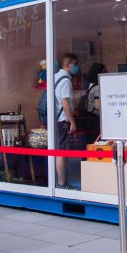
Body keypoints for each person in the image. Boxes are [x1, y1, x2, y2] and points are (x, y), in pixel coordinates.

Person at [55, 53, 78, 188]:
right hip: (62, 119)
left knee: (61, 150)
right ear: (67, 65)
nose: (77, 67)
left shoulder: (55, 77)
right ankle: (61, 183)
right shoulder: (65, 80)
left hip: (56, 119)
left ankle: (62, 181)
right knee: (62, 152)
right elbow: (65, 103)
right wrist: (72, 121)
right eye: (75, 64)